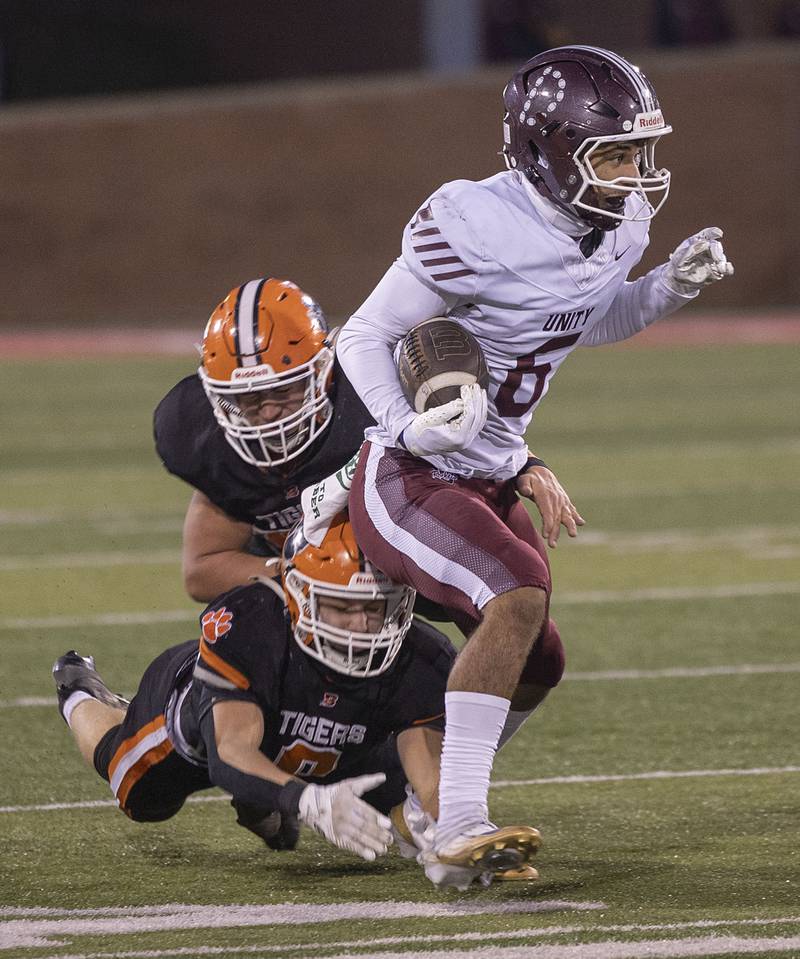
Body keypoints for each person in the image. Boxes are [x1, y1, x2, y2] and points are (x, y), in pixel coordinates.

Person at [333, 45, 734, 883]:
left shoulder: (618, 221)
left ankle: (424, 801)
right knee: (515, 592)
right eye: (614, 153)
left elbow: (580, 320)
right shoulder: (474, 221)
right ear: (547, 151)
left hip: (495, 468)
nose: (634, 173)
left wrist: (668, 288)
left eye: (639, 152)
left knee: (540, 656)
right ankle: (456, 819)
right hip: (409, 474)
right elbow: (362, 336)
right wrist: (410, 430)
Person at [52, 513, 539, 884]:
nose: (363, 625)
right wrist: (306, 799)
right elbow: (230, 756)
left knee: (392, 787)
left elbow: (430, 779)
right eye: (342, 607)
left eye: (378, 608)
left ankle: (269, 808)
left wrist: (458, 840)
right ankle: (79, 689)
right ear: (299, 597)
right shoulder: (253, 625)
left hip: (333, 751)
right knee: (136, 792)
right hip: (212, 727)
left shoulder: (423, 658)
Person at [153, 277, 374, 602]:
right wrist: (302, 575)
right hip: (296, 582)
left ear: (323, 373)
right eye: (249, 396)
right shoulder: (213, 442)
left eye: (283, 389)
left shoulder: (364, 403)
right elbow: (201, 570)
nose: (268, 412)